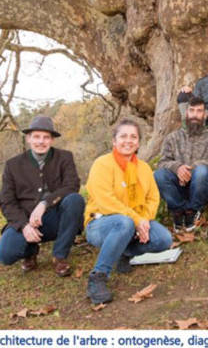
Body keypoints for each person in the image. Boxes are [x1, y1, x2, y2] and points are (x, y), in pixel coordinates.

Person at [84, 119, 172, 304]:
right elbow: (105, 201)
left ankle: (123, 252)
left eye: (133, 137)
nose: (128, 141)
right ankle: (98, 276)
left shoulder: (144, 168)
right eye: (123, 136)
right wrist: (136, 220)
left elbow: (153, 199)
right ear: (114, 141)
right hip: (101, 224)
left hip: (135, 223)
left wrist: (144, 221)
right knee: (123, 222)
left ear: (138, 142)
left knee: (164, 239)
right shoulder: (102, 164)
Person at [0, 116, 84, 276]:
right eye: (36, 137)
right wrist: (24, 225)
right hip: (25, 219)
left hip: (56, 216)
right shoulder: (12, 165)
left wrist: (45, 203)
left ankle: (59, 256)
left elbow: (72, 186)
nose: (41, 141)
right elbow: (6, 201)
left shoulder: (65, 157)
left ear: (52, 140)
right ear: (29, 138)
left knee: (75, 200)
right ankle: (30, 252)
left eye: (46, 137)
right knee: (6, 255)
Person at [154, 96, 208, 232]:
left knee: (202, 171)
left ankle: (192, 212)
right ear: (186, 113)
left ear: (205, 115)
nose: (195, 114)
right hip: (179, 186)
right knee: (159, 175)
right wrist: (177, 168)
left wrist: (191, 169)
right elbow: (162, 162)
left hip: (204, 185)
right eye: (192, 110)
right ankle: (178, 211)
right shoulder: (172, 138)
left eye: (199, 111)